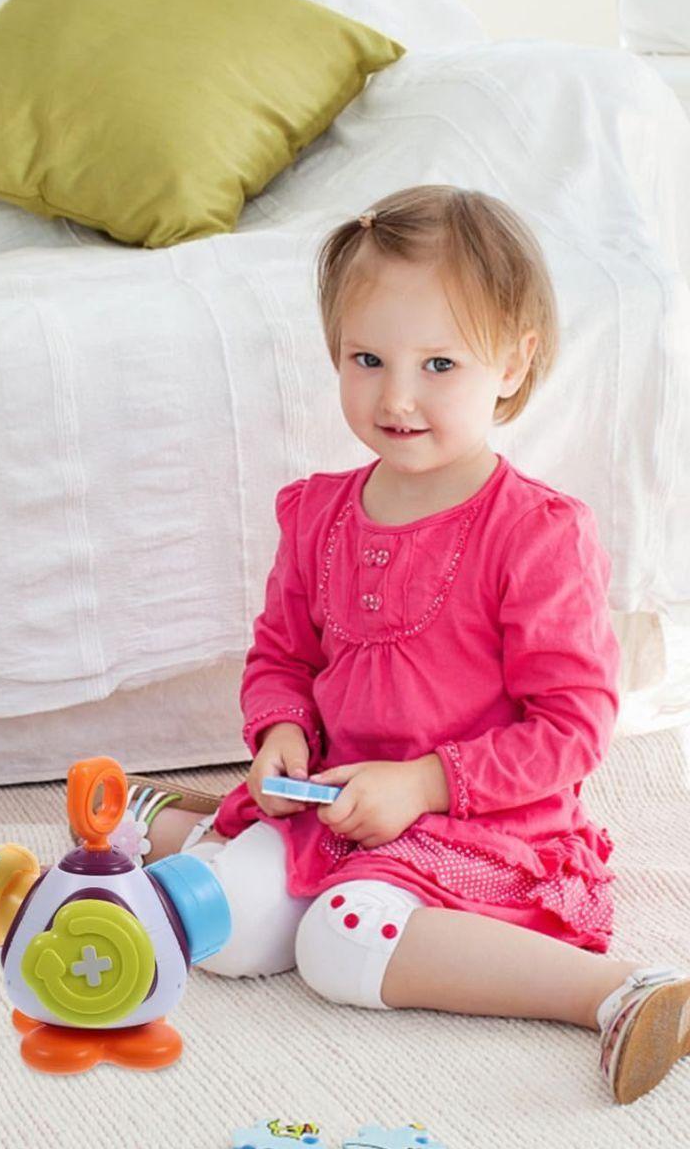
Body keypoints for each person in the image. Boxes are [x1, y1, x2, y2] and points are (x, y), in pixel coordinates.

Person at [110, 186, 690, 1106]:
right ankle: (179, 817)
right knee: (233, 938)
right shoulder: (318, 514)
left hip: (479, 821)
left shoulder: (535, 533)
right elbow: (281, 661)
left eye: (440, 364)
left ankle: (620, 993)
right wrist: (280, 735)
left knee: (340, 942)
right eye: (368, 358)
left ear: (512, 364)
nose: (398, 397)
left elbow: (573, 727)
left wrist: (423, 784)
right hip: (335, 806)